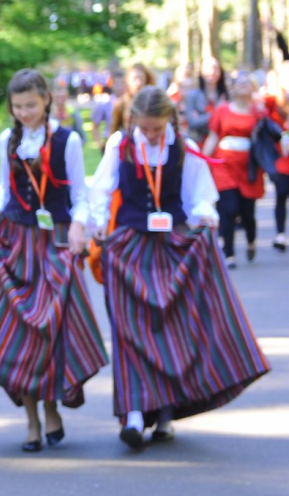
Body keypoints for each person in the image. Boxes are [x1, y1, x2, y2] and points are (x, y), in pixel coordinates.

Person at [77, 87, 270, 449]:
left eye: (156, 128)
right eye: (145, 128)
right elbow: (100, 191)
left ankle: (165, 415)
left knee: (170, 328)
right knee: (130, 329)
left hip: (174, 248)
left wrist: (205, 218)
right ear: (134, 119)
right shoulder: (120, 145)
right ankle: (134, 414)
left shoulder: (185, 146)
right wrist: (99, 223)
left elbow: (200, 196)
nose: (151, 134)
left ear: (169, 120)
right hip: (130, 247)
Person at [0, 69, 108, 453]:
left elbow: (81, 193)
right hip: (15, 241)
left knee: (52, 331)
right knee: (20, 335)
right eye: (17, 106)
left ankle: (51, 408)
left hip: (57, 241)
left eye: (30, 105)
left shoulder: (68, 140)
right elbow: (2, 190)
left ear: (46, 100)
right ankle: (30, 418)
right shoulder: (6, 139)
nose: (24, 112)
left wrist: (80, 227)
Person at [203, 72, 266, 268]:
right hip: (225, 165)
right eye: (240, 83)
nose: (243, 86)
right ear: (233, 87)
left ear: (253, 87)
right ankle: (228, 253)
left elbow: (266, 141)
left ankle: (250, 241)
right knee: (227, 209)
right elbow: (213, 137)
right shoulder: (222, 111)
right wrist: (203, 161)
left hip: (248, 168)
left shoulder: (258, 113)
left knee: (247, 213)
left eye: (247, 83)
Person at [261, 64, 289, 252]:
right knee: (281, 194)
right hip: (282, 159)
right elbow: (261, 108)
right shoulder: (273, 101)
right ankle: (280, 233)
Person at [183, 55, 227, 143]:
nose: (212, 72)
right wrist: (217, 111)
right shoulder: (193, 96)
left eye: (215, 68)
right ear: (201, 71)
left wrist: (201, 117)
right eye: (208, 68)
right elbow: (193, 122)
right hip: (198, 141)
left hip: (221, 142)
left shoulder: (226, 95)